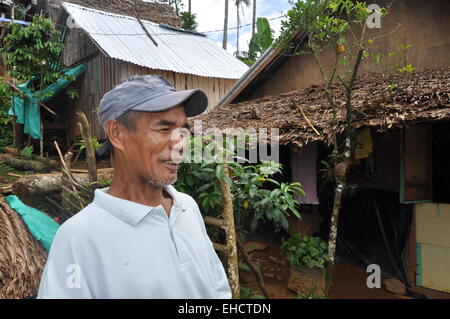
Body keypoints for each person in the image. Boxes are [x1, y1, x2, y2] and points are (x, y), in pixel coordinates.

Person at [37, 75, 231, 299]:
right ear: (117, 134)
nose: (181, 144)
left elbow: (218, 289)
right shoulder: (78, 239)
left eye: (184, 131)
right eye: (164, 128)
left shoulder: (187, 207)